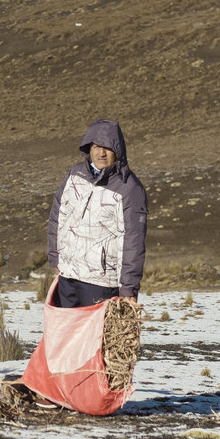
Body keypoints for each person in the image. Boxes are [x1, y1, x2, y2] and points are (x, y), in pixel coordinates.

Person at [47, 119, 147, 307]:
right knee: (68, 335)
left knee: (99, 336)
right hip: (67, 276)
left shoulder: (129, 188)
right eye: (97, 146)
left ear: (118, 151)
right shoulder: (74, 175)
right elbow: (57, 217)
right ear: (89, 147)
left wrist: (128, 289)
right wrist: (55, 257)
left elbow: (133, 241)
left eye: (108, 148)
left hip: (101, 283)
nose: (101, 153)